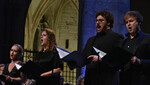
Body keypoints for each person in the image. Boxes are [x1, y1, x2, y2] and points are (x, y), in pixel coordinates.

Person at [82, 11, 124, 85]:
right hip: (90, 80)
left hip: (107, 80)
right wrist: (74, 61)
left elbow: (119, 60)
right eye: (96, 20)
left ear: (108, 23)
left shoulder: (116, 38)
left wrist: (100, 59)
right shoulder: (90, 40)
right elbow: (83, 57)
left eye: (101, 20)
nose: (97, 23)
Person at [120, 11, 150, 85]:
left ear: (138, 22)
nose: (128, 24)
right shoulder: (123, 42)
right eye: (126, 22)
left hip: (142, 80)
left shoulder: (147, 39)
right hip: (125, 80)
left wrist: (140, 61)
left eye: (131, 21)